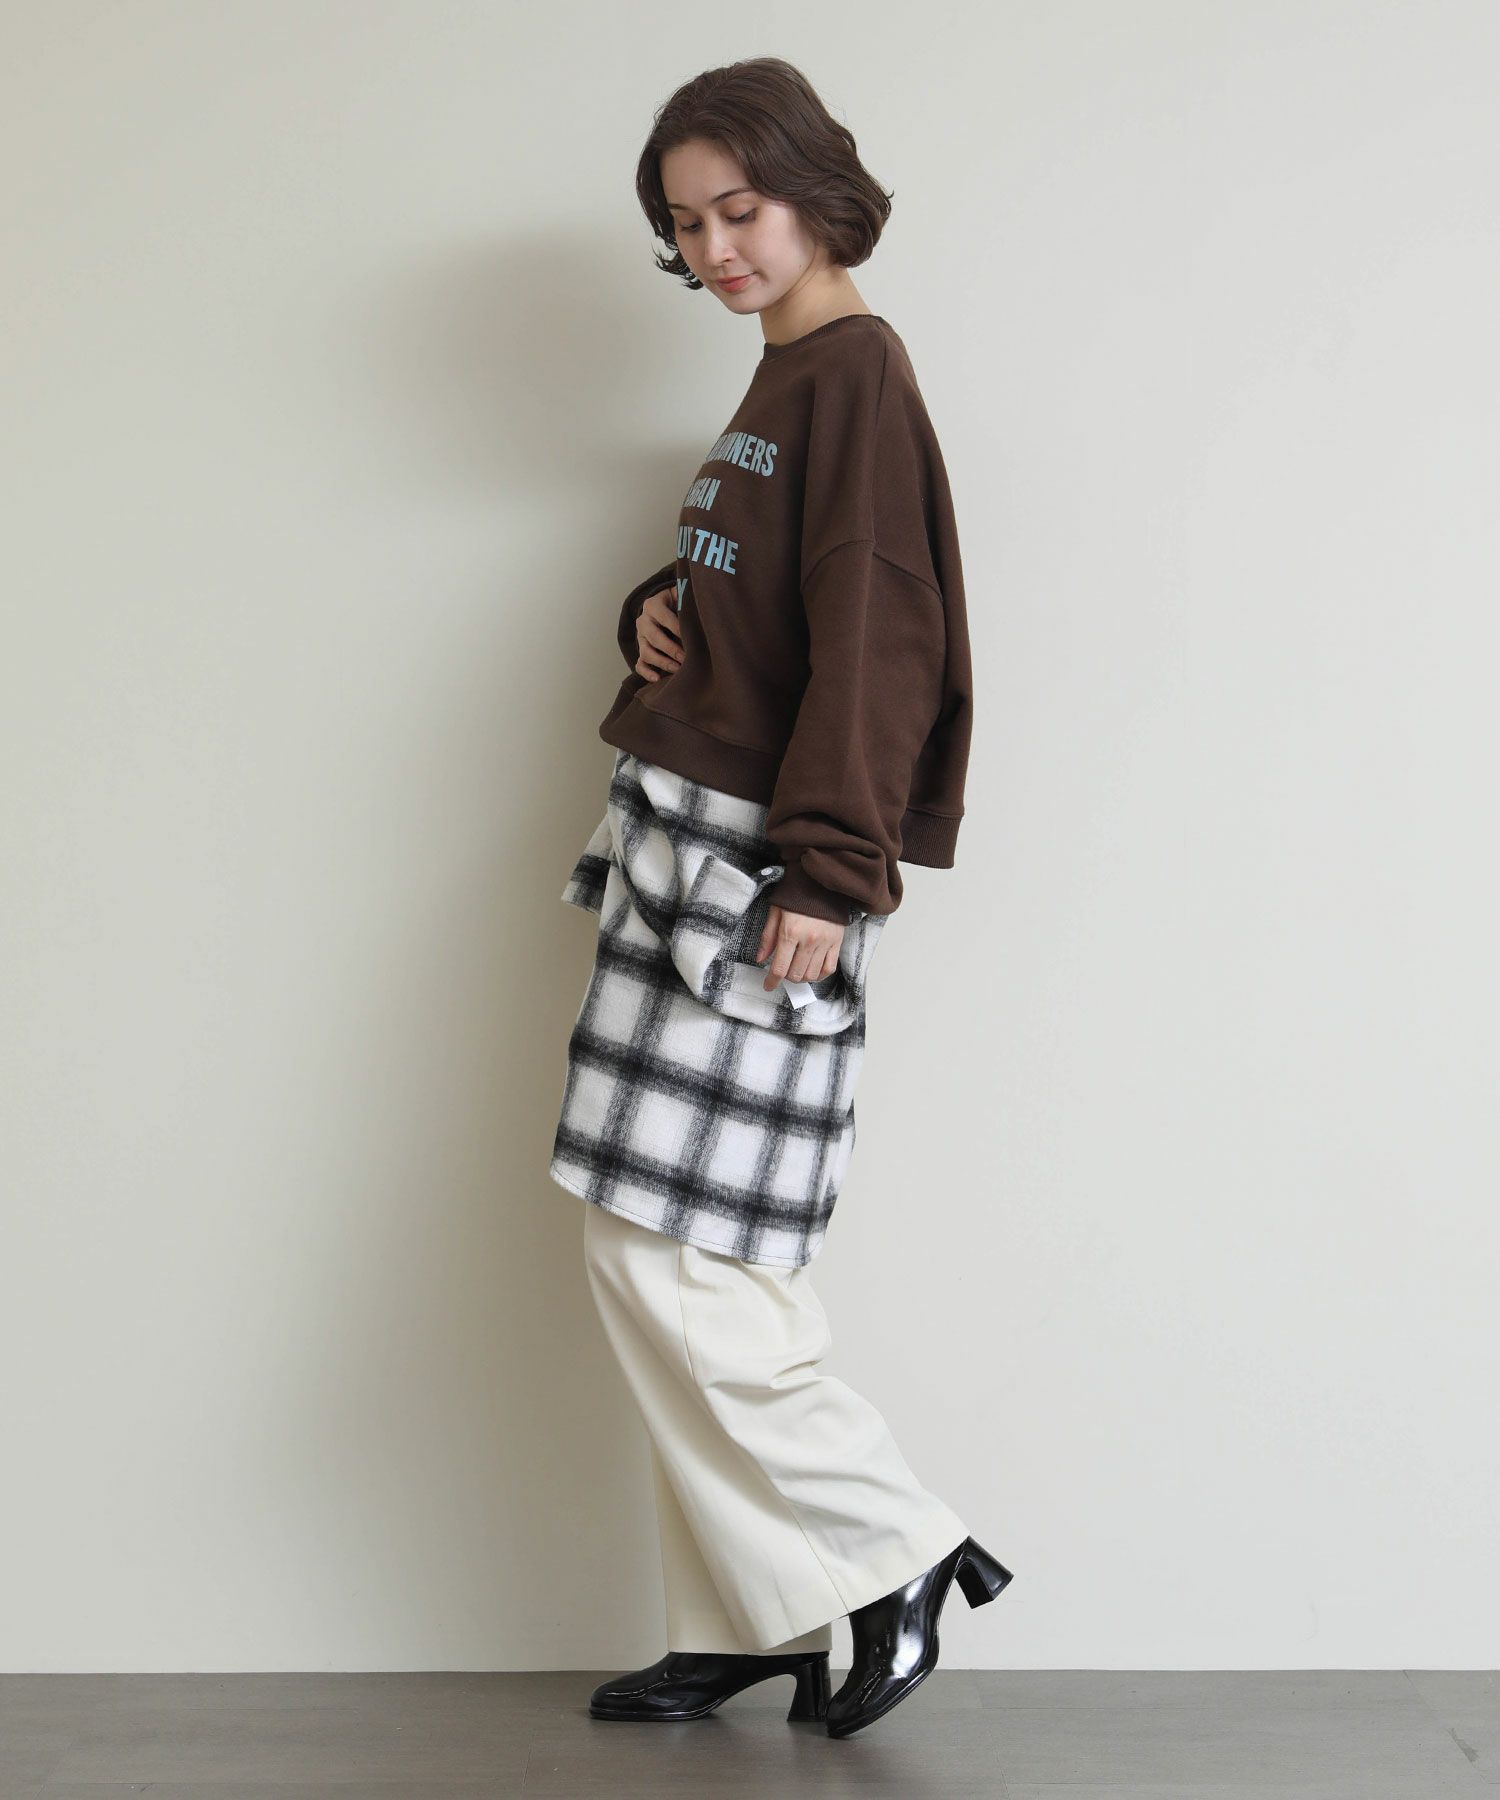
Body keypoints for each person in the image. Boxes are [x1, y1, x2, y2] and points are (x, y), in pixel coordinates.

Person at [548, 56, 1014, 1740]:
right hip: (690, 856)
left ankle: (893, 1550)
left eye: (738, 210)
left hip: (756, 876)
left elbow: (884, 637)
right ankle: (753, 1608)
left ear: (814, 191)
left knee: (684, 1255)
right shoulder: (787, 379)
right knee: (664, 1245)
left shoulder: (854, 376)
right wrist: (655, 606)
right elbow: (769, 593)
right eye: (687, 225)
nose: (716, 248)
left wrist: (830, 868)